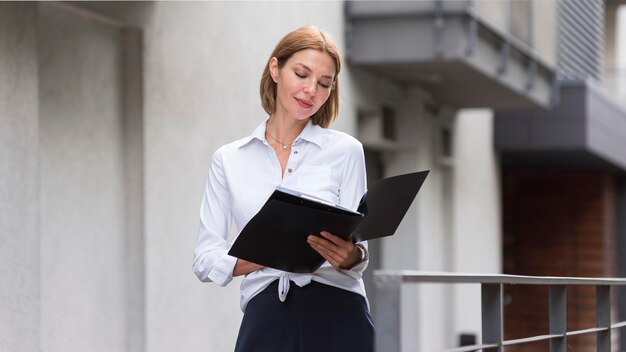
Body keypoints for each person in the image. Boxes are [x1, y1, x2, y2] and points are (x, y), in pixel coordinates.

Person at [193, 25, 373, 352]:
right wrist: (268, 252)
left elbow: (358, 247)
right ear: (275, 69)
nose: (311, 91)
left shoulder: (346, 151)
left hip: (339, 310)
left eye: (324, 83)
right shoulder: (229, 159)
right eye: (301, 74)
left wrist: (351, 256)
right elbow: (205, 259)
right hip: (266, 313)